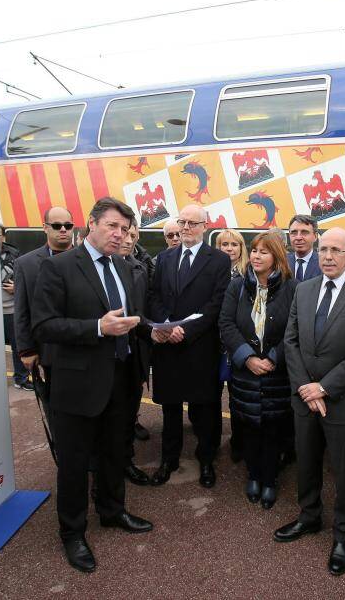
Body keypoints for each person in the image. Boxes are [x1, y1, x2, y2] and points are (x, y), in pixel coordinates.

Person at [31, 197, 154, 573]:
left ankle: (112, 511)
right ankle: (72, 533)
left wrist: (153, 332)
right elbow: (44, 326)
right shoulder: (59, 268)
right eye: (112, 226)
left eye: (125, 229)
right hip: (78, 384)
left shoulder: (123, 266)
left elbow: (132, 317)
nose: (119, 235)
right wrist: (97, 327)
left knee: (115, 451)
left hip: (122, 377)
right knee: (74, 462)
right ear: (92, 223)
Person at [273, 228, 345, 576]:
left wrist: (324, 388)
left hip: (343, 400)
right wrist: (306, 386)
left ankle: (343, 535)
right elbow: (290, 341)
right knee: (305, 461)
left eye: (337, 250)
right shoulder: (303, 290)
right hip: (304, 396)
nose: (328, 256)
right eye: (323, 250)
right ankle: (309, 517)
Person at [148, 205, 231, 487]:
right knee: (169, 409)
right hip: (168, 347)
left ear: (204, 226)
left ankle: (206, 460)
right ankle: (168, 460)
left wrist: (187, 330)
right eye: (182, 222)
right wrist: (168, 326)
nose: (185, 228)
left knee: (205, 408)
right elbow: (153, 295)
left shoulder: (219, 260)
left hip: (199, 347)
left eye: (192, 223)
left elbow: (216, 303)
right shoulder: (164, 258)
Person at [219, 232, 296, 509]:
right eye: (253, 251)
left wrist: (274, 358)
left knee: (274, 429)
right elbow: (226, 324)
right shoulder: (237, 286)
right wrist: (247, 357)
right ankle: (253, 475)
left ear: (276, 256)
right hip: (245, 373)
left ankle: (270, 479)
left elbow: (294, 331)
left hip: (278, 373)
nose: (256, 256)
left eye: (264, 251)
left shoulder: (292, 288)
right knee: (249, 427)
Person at [13, 207, 75, 449]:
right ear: (45, 227)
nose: (63, 230)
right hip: (47, 353)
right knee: (56, 409)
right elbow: (22, 311)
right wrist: (26, 350)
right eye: (57, 225)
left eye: (68, 226)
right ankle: (64, 455)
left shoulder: (86, 259)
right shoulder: (26, 264)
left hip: (83, 349)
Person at [116, 222, 152, 486]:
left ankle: (125, 461)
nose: (128, 240)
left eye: (132, 235)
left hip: (134, 353)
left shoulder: (140, 269)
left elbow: (142, 313)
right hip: (104, 358)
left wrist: (155, 330)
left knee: (128, 411)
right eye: (123, 234)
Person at [215, 228, 249, 464]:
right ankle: (213, 438)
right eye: (224, 244)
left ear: (241, 248)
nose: (229, 248)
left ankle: (239, 441)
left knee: (238, 396)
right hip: (214, 345)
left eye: (234, 244)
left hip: (237, 344)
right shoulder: (211, 272)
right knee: (212, 394)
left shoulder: (249, 273)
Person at [0, 225, 30, 390]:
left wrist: (16, 287)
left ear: (3, 237)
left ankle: (21, 379)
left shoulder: (14, 255)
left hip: (12, 310)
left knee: (18, 347)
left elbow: (26, 280)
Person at [287, 215, 321, 282]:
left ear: (315, 236)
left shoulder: (323, 263)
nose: (298, 237)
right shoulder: (281, 262)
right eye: (294, 233)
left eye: (304, 232)